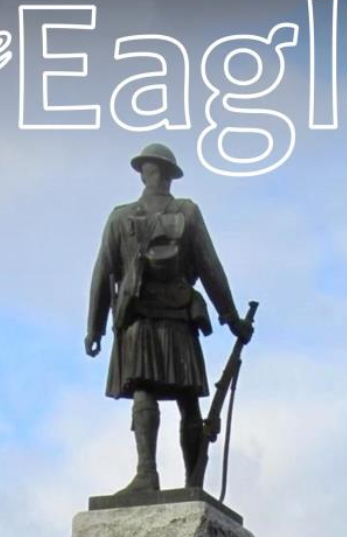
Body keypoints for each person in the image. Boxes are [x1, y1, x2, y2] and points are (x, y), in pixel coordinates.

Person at [85, 142, 254, 493]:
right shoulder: (186, 213)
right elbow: (211, 269)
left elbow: (102, 273)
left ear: (145, 171)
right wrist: (232, 318)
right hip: (175, 313)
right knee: (185, 398)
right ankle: (191, 479)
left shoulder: (121, 217)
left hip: (139, 316)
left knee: (146, 390)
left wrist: (95, 327)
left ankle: (151, 473)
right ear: (169, 175)